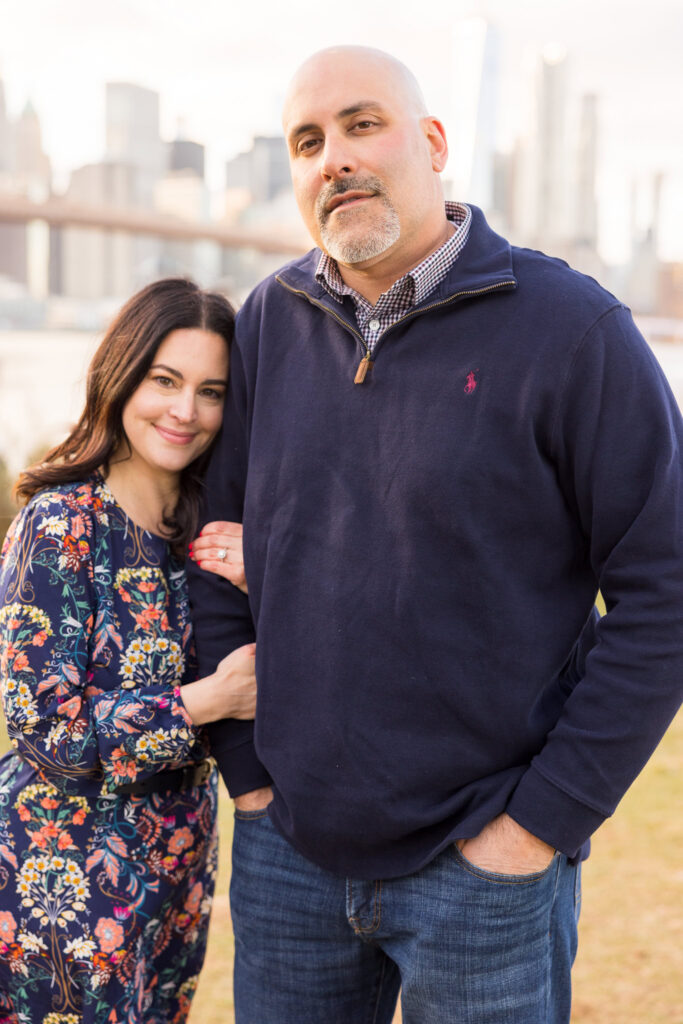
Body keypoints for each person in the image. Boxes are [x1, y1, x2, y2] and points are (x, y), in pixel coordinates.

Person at [187, 46, 683, 1024]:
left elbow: (663, 591)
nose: (333, 156)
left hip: (483, 869)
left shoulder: (572, 330)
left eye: (361, 124)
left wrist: (536, 826)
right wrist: (247, 779)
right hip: (288, 857)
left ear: (432, 143)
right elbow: (218, 548)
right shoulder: (268, 324)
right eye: (306, 140)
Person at [0, 278, 257, 1024]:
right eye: (164, 381)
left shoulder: (214, 528)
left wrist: (268, 566)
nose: (185, 411)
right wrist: (208, 700)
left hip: (177, 863)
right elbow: (47, 734)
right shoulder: (60, 526)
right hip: (59, 871)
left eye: (211, 391)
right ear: (120, 378)